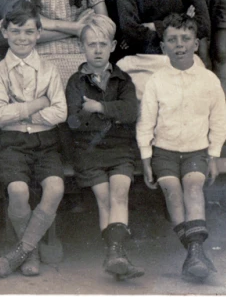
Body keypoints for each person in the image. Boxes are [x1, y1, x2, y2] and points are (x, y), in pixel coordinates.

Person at [137, 13, 226, 281]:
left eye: (186, 39)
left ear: (196, 44)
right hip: (163, 152)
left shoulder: (208, 80)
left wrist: (213, 156)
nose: (180, 45)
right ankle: (196, 253)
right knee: (172, 191)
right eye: (172, 40)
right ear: (163, 47)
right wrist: (145, 159)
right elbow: (146, 123)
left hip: (196, 150)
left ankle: (194, 253)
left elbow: (219, 120)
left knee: (193, 186)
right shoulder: (156, 81)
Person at [0, 0, 67, 278]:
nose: (22, 38)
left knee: (55, 188)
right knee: (18, 191)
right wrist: (38, 104)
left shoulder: (49, 70)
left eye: (29, 32)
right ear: (5, 32)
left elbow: (60, 111)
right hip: (11, 144)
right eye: (16, 31)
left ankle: (21, 251)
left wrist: (20, 112)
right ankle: (30, 251)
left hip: (46, 143)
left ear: (38, 34)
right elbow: (0, 116)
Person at [65, 15, 143, 280]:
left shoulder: (122, 80)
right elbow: (74, 121)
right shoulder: (76, 82)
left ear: (112, 46)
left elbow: (131, 112)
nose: (97, 50)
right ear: (82, 48)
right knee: (104, 197)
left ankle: (115, 254)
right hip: (89, 150)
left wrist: (98, 107)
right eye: (91, 45)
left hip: (120, 147)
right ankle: (116, 255)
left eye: (102, 44)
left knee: (120, 192)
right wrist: (113, 113)